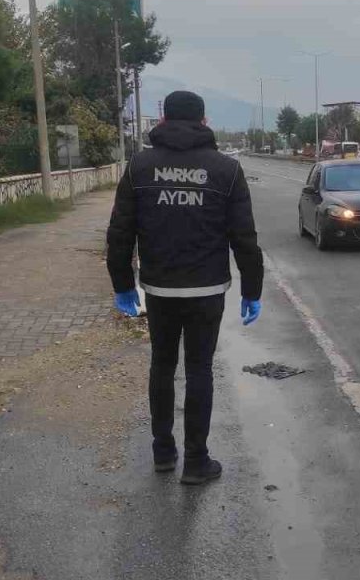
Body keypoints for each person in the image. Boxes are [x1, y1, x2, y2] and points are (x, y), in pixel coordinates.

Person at [106, 90, 263, 486]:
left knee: (162, 365)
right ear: (204, 122)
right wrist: (252, 290)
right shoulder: (225, 170)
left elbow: (120, 233)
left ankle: (162, 452)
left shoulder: (139, 167)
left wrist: (122, 284)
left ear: (162, 121)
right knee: (199, 370)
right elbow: (243, 236)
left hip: (158, 289)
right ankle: (196, 461)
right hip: (207, 290)